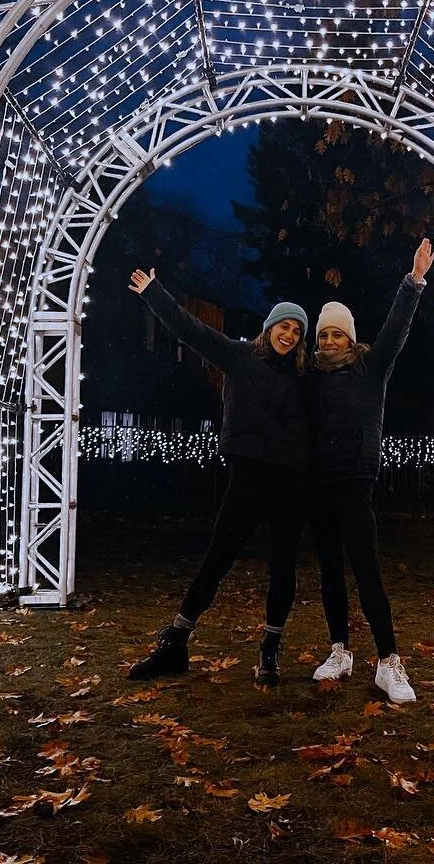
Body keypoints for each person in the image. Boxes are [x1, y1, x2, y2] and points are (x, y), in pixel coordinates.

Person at [124, 267, 310, 687]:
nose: (290, 336)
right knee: (217, 559)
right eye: (284, 326)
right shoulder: (240, 357)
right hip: (246, 476)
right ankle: (176, 641)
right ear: (270, 327)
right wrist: (154, 293)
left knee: (284, 567)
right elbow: (193, 331)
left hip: (290, 482)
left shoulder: (304, 374)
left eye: (297, 332)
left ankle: (270, 649)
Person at [307, 238, 434, 704]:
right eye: (322, 335)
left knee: (367, 572)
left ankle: (388, 661)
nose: (328, 341)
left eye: (336, 334)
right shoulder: (312, 377)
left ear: (349, 336)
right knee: (329, 573)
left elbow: (396, 330)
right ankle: (339, 650)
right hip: (317, 487)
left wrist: (414, 280)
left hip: (355, 485)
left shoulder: (370, 368)